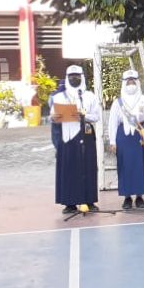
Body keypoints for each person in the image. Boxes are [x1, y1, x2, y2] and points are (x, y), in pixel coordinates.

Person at [52, 64, 103, 214]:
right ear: (67, 78)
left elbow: (96, 116)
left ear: (82, 77)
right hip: (67, 137)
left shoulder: (89, 96)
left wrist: (83, 115)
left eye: (77, 76)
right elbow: (54, 117)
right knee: (69, 169)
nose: (74, 78)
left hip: (86, 135)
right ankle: (70, 203)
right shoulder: (59, 97)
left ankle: (89, 200)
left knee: (88, 167)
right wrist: (55, 117)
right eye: (71, 76)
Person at [107, 69, 144, 210]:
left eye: (133, 81)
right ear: (124, 83)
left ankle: (140, 197)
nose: (131, 84)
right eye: (128, 82)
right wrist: (112, 141)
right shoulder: (117, 103)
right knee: (124, 166)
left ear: (137, 83)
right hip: (122, 137)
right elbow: (112, 123)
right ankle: (127, 197)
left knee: (140, 166)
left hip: (139, 136)